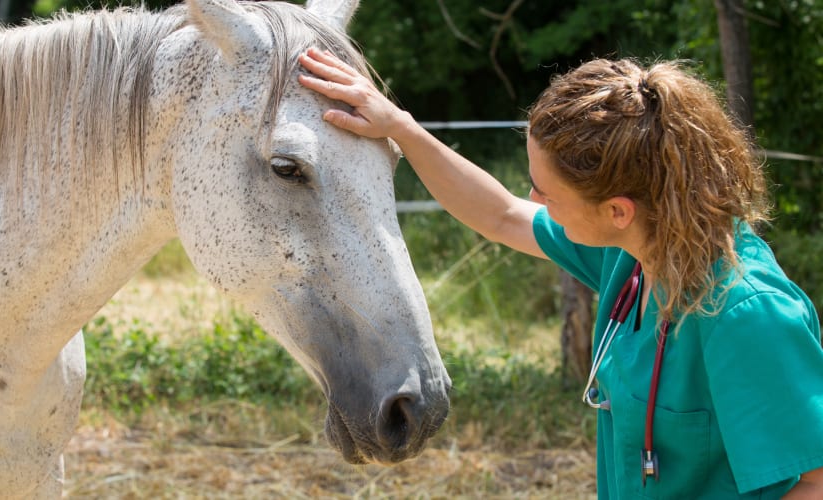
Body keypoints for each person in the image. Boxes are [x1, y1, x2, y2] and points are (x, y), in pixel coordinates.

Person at [298, 47, 823, 498]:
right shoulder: (634, 252)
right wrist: (401, 129)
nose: (534, 199)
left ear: (617, 210)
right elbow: (501, 214)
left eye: (547, 192)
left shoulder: (747, 314)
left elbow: (816, 482)